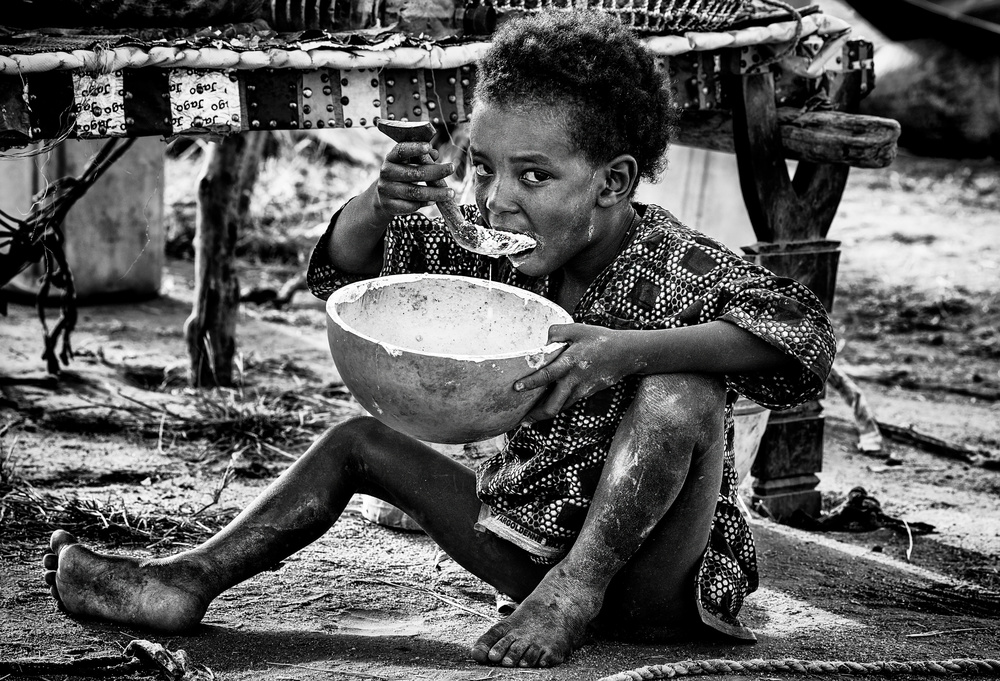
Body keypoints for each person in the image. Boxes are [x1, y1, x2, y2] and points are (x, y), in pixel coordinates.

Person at [41, 10, 836, 668]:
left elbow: (805, 336)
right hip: (526, 546)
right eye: (483, 168)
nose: (497, 200)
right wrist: (377, 204)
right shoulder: (488, 247)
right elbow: (343, 277)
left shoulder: (673, 262)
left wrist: (626, 352)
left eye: (533, 176)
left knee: (683, 388)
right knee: (357, 440)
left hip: (661, 585)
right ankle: (182, 580)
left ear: (614, 183)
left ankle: (578, 589)